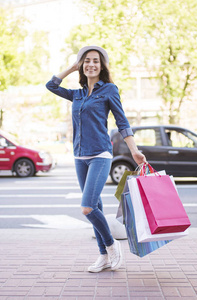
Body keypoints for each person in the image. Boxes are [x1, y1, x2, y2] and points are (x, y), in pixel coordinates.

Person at [46, 45, 147, 272]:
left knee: (87, 207)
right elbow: (51, 85)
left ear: (102, 67)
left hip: (100, 154)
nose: (91, 64)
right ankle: (103, 256)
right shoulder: (77, 94)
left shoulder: (110, 90)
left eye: (96, 61)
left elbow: (122, 122)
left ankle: (112, 247)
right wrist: (72, 67)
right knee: (96, 205)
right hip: (79, 156)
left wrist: (134, 150)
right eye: (87, 61)